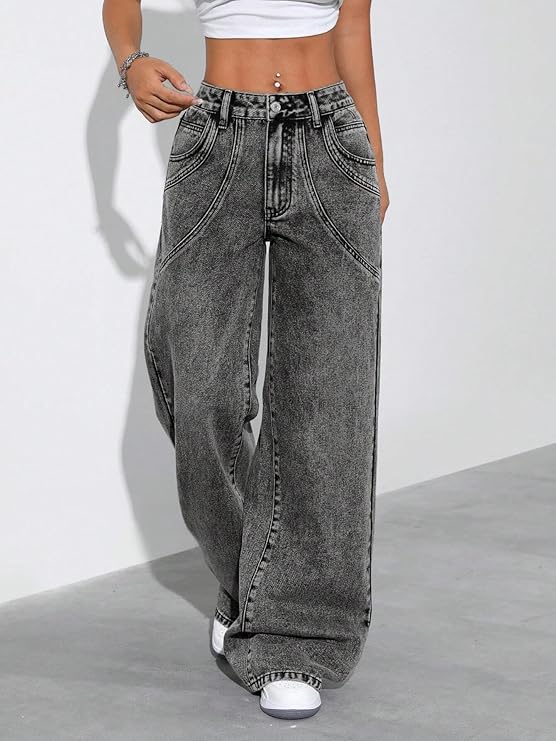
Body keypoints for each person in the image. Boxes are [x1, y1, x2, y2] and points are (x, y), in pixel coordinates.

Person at [103, 0, 389, 720]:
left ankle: (298, 637)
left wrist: (375, 163)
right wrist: (130, 63)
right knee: (200, 390)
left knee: (326, 401)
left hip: (332, 141)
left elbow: (353, 26)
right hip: (217, 141)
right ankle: (255, 584)